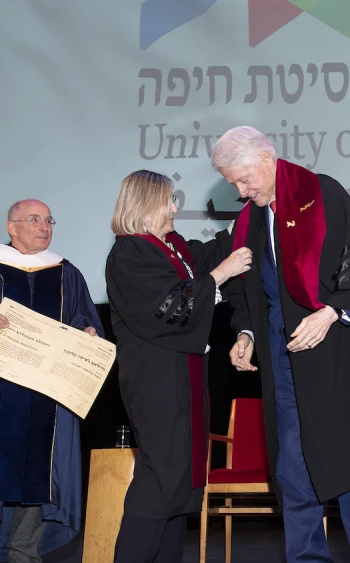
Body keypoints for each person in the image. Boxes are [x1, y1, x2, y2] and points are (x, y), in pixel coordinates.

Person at [212, 125, 350, 563]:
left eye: (244, 180)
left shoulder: (322, 194)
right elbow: (247, 292)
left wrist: (331, 312)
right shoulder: (249, 220)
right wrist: (246, 333)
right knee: (293, 473)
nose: (240, 193)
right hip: (284, 360)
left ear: (266, 160)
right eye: (233, 184)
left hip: (337, 355)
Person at [0, 199, 103, 562]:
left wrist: (88, 334)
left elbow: (84, 320)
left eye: (49, 220)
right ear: (11, 227)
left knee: (42, 470)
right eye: (34, 219)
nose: (44, 227)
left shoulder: (66, 273)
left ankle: (25, 554)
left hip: (48, 393)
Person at [104, 170, 252, 561]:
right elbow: (166, 307)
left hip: (183, 381)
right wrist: (221, 274)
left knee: (181, 484)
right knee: (161, 479)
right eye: (168, 201)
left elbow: (216, 249)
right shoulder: (130, 252)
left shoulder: (173, 248)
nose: (174, 209)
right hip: (155, 383)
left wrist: (256, 207)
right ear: (145, 204)